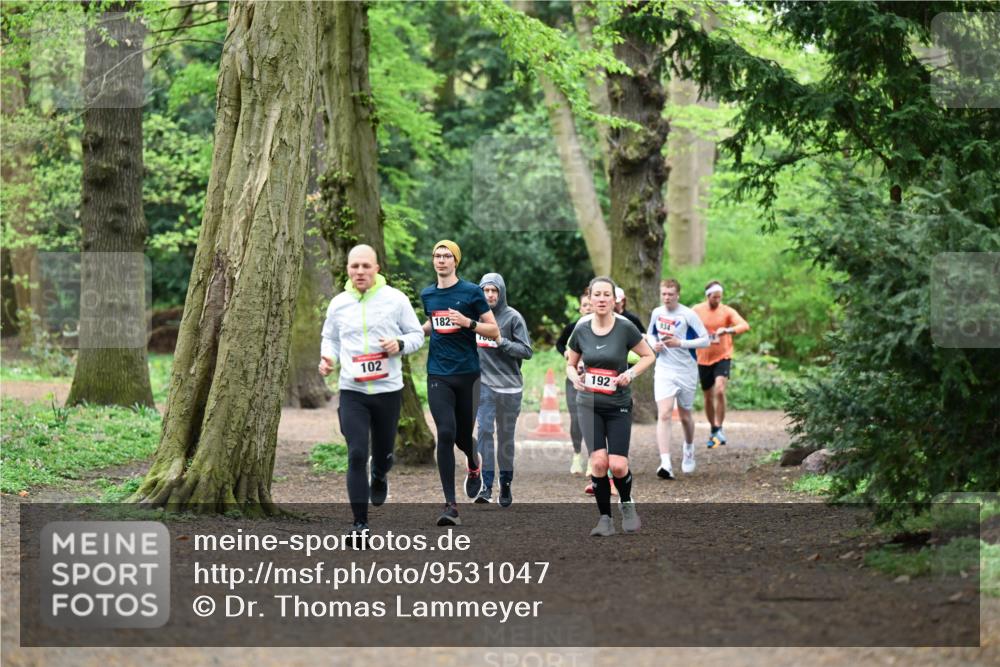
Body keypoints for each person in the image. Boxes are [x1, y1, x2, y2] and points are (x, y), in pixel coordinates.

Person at [319, 244, 425, 538]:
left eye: (366, 266)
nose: (360, 271)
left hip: (387, 391)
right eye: (355, 266)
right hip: (352, 390)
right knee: (356, 454)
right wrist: (328, 358)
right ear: (348, 270)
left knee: (383, 453)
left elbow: (417, 334)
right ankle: (360, 524)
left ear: (377, 268)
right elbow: (330, 338)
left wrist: (399, 344)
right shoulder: (339, 303)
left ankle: (380, 474)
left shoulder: (395, 300)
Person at [566, 276, 655, 537]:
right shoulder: (581, 329)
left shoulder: (625, 327)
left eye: (607, 295)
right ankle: (605, 519)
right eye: (598, 295)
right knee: (598, 463)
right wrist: (575, 378)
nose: (602, 299)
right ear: (590, 299)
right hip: (589, 403)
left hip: (618, 405)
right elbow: (571, 364)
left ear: (615, 300)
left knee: (617, 466)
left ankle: (627, 505)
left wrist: (630, 374)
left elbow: (649, 355)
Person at [420, 240, 500, 526]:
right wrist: (416, 334)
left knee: (463, 436)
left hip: (468, 374)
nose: (441, 260)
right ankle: (450, 505)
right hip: (438, 374)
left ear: (455, 261)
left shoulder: (471, 292)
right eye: (437, 256)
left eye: (447, 256)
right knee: (445, 432)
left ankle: (473, 462)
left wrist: (468, 323)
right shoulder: (427, 294)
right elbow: (433, 322)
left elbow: (493, 330)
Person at [474, 273, 533, 507]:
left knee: (505, 438)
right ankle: (486, 485)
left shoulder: (512, 317)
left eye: (494, 291)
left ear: (501, 293)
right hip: (484, 385)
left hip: (510, 387)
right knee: (484, 431)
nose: (489, 295)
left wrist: (501, 341)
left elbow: (526, 351)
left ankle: (505, 483)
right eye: (486, 290)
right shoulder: (475, 317)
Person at [647, 278, 711, 479]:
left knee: (685, 416)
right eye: (664, 294)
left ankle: (689, 447)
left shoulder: (688, 314)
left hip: (686, 370)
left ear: (678, 295)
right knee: (664, 413)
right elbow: (650, 333)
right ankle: (665, 463)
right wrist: (654, 344)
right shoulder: (657, 313)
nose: (666, 297)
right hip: (664, 369)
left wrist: (680, 343)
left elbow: (706, 340)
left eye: (670, 294)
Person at [692, 281, 750, 448]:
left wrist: (728, 330)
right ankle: (714, 428)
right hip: (703, 358)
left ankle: (720, 426)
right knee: (708, 396)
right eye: (714, 297)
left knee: (720, 389)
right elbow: (683, 323)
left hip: (723, 356)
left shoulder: (726, 311)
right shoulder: (697, 310)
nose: (717, 300)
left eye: (720, 297)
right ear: (707, 296)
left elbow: (744, 325)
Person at [555, 290, 592, 476]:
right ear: (580, 308)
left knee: (593, 418)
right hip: (574, 378)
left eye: (590, 305)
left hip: (594, 380)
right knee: (576, 418)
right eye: (585, 305)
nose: (588, 308)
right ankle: (577, 455)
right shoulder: (572, 327)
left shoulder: (603, 328)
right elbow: (559, 343)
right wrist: (566, 354)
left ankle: (594, 458)